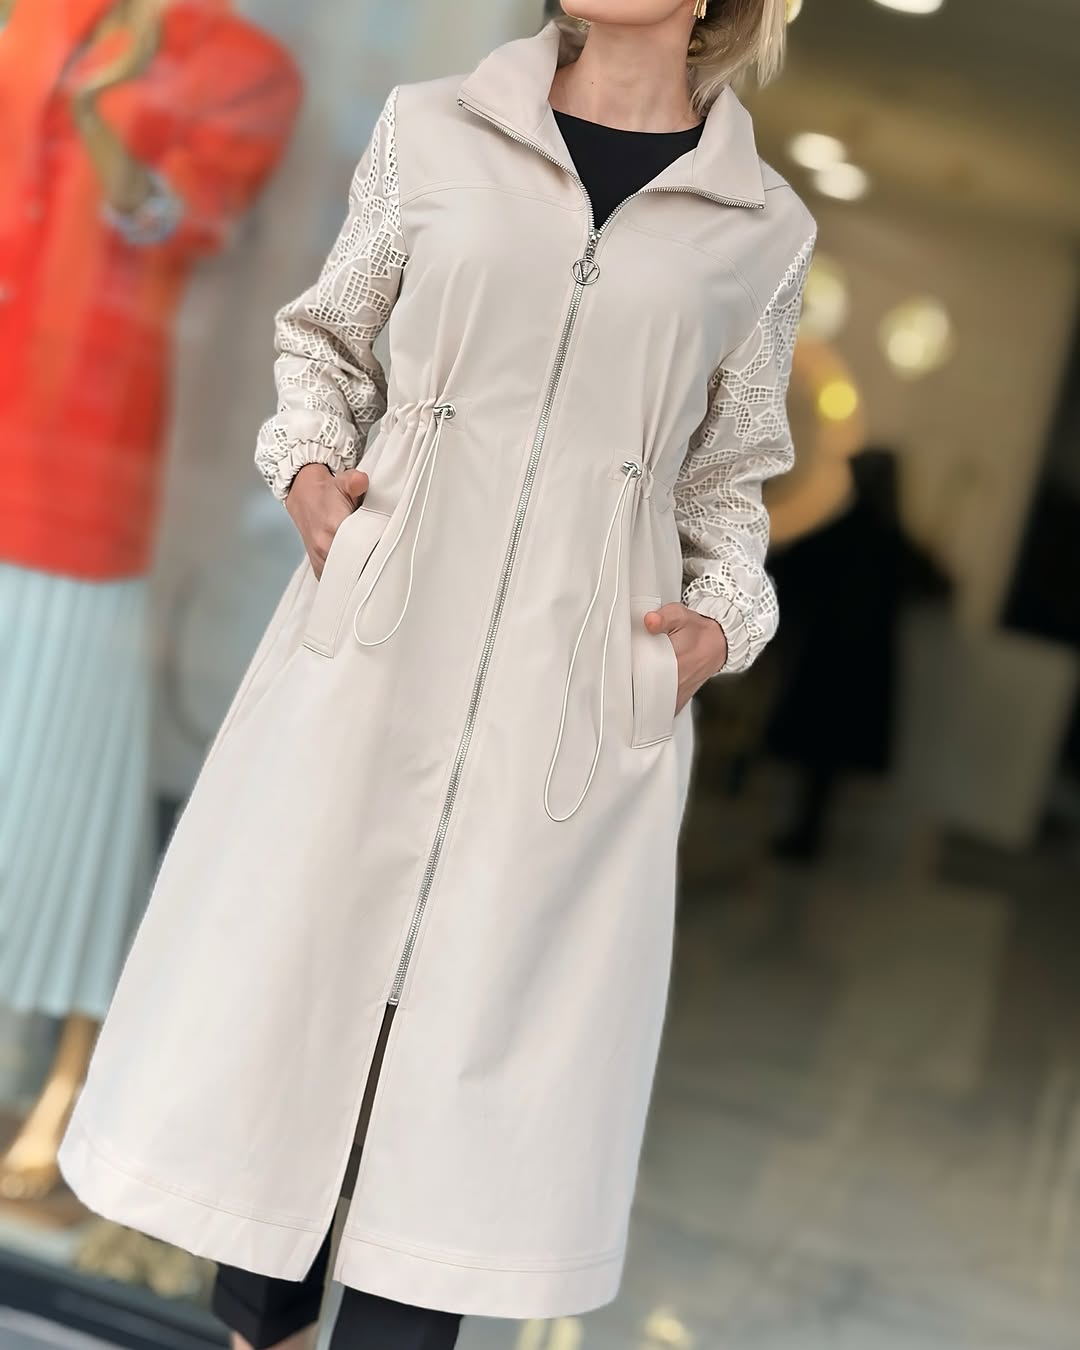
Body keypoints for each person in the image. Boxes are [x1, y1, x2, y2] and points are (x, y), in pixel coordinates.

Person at [58, 4, 815, 1347]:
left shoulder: (762, 225)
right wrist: (308, 469)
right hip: (375, 658)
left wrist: (717, 622)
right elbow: (325, 343)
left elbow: (731, 481)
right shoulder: (433, 129)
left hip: (576, 715)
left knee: (471, 1129)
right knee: (292, 1064)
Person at [0, 0, 300, 1200]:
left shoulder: (242, 67)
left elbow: (182, 223)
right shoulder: (34, 17)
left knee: (70, 788)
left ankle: (77, 1079)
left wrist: (96, 111)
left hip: (88, 460)